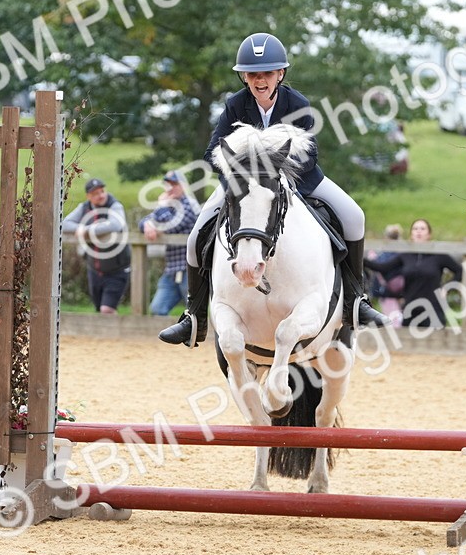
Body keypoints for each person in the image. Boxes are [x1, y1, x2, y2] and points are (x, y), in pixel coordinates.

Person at [158, 32, 388, 347]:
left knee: (353, 216)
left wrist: (272, 170)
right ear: (244, 77)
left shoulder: (297, 104)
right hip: (241, 186)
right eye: (253, 74)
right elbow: (214, 151)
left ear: (280, 74)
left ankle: (356, 302)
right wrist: (243, 176)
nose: (260, 80)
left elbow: (308, 156)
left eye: (267, 73)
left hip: (299, 183)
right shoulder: (236, 104)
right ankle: (193, 317)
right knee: (196, 235)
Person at [362, 218, 463, 329]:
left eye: (422, 228)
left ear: (429, 234)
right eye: (415, 229)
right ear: (411, 234)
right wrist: (360, 259)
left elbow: (459, 271)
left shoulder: (438, 255)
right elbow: (383, 268)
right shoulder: (406, 255)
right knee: (406, 343)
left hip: (433, 308)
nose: (418, 231)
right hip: (410, 308)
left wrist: (446, 288)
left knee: (436, 342)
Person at [61, 178, 130, 315]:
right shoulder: (84, 207)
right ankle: (110, 334)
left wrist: (87, 230)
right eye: (96, 193)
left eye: (102, 191)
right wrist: (79, 227)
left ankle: (114, 335)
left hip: (117, 269)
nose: (101, 195)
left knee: (107, 309)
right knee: (99, 309)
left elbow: (116, 224)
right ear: (89, 196)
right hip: (94, 268)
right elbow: (64, 224)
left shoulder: (115, 205)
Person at [139, 171, 199, 317]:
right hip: (172, 269)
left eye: (175, 184)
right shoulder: (170, 206)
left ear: (184, 186)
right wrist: (147, 223)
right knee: (157, 309)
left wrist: (161, 207)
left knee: (194, 311)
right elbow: (142, 223)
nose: (171, 188)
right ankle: (170, 337)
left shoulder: (190, 205)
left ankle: (196, 337)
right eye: (168, 184)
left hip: (190, 269)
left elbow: (169, 225)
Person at [367, 224, 406, 326]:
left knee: (392, 317)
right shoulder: (402, 250)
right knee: (398, 314)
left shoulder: (386, 252)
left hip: (388, 289)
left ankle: (394, 337)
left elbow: (382, 267)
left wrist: (372, 259)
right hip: (400, 289)